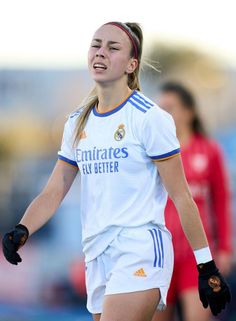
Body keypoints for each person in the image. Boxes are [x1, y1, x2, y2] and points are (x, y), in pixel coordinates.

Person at [2, 22, 231, 321]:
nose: (101, 53)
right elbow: (55, 188)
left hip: (141, 249)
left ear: (131, 64)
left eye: (113, 48)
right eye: (96, 45)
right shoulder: (76, 123)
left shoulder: (149, 118)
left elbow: (182, 196)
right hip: (96, 253)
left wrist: (207, 266)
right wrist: (23, 228)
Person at [152, 82, 232, 321]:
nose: (163, 114)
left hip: (196, 256)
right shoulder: (152, 152)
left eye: (170, 107)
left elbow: (221, 202)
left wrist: (225, 249)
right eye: (160, 108)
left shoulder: (209, 150)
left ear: (189, 112)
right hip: (159, 255)